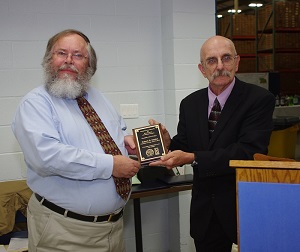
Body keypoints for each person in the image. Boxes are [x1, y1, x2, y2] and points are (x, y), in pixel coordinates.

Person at [11, 29, 140, 252]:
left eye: (78, 55)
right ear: (48, 60)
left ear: (90, 66)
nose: (68, 61)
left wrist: (130, 144)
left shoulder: (99, 99)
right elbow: (48, 157)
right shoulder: (36, 103)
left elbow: (111, 138)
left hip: (113, 228)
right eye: (61, 53)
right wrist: (112, 165)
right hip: (64, 232)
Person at [149, 35, 275, 251]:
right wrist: (168, 142)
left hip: (242, 207)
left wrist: (194, 158)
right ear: (202, 69)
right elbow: (186, 145)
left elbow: (248, 152)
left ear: (237, 62)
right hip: (205, 213)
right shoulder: (190, 104)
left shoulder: (259, 99)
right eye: (211, 60)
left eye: (226, 58)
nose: (220, 66)